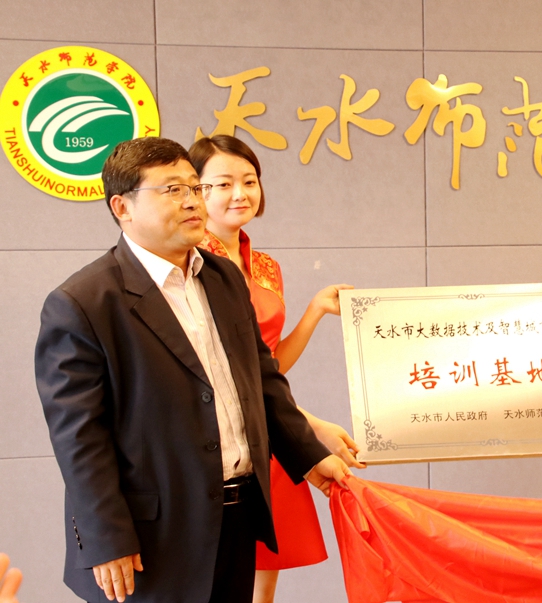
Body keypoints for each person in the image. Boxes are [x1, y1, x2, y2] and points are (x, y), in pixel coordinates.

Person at [34, 137, 352, 603]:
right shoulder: (83, 302)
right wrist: (107, 537)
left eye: (193, 187)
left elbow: (260, 381)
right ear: (122, 207)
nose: (191, 201)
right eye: (171, 190)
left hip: (236, 517)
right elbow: (79, 437)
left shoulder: (224, 279)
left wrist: (308, 456)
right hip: (150, 536)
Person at [189, 134, 363, 603]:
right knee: (226, 578)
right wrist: (309, 425)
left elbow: (268, 363)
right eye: (222, 183)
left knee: (263, 579)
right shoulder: (192, 265)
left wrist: (314, 311)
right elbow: (223, 373)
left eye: (249, 181)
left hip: (269, 429)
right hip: (224, 434)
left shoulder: (264, 265)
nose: (240, 193)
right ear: (195, 191)